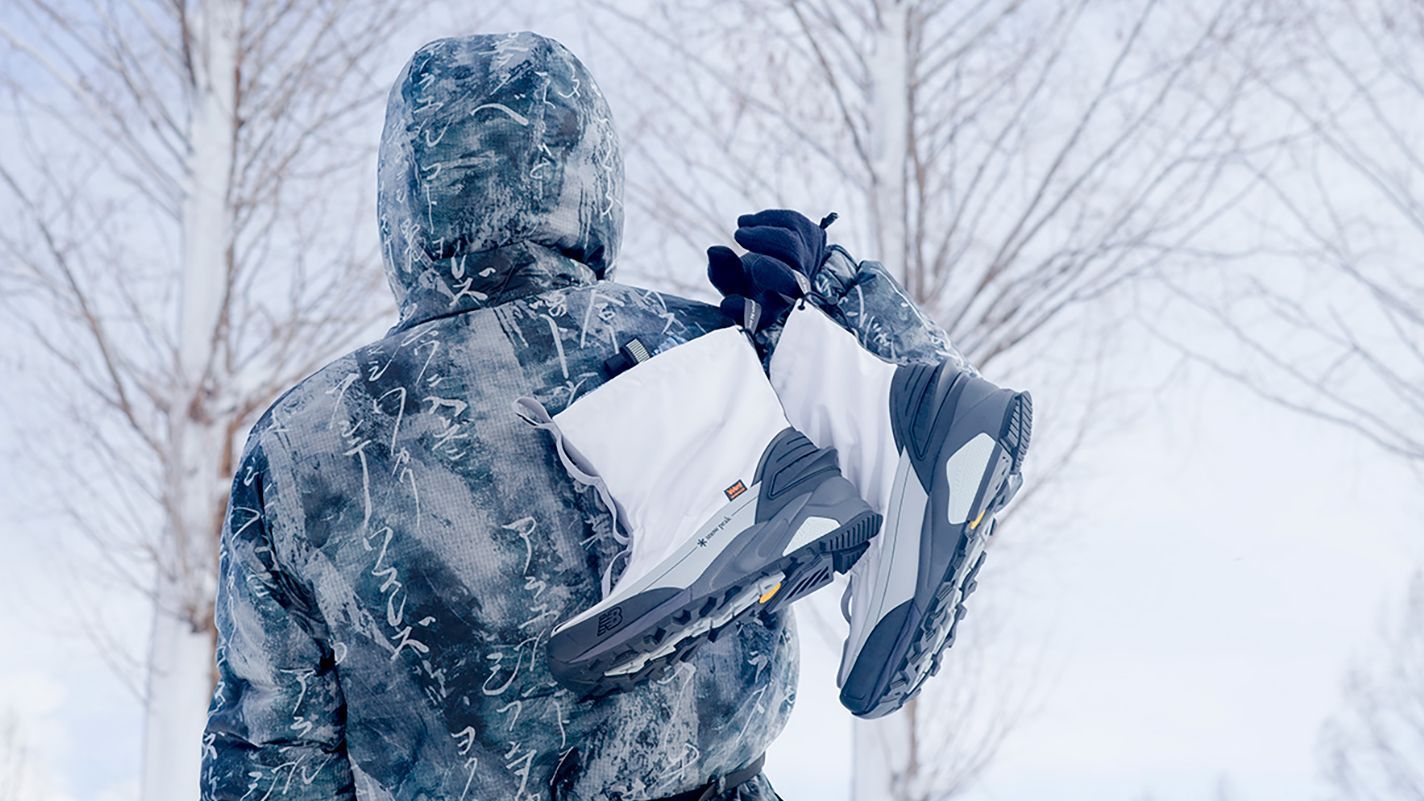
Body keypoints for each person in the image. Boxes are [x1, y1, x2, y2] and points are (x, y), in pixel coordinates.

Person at [200, 31, 1028, 801]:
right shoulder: (705, 345)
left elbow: (271, 753)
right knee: (863, 425)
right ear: (591, 174)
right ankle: (852, 436)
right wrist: (852, 296)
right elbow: (938, 479)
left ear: (405, 197)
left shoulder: (302, 444)